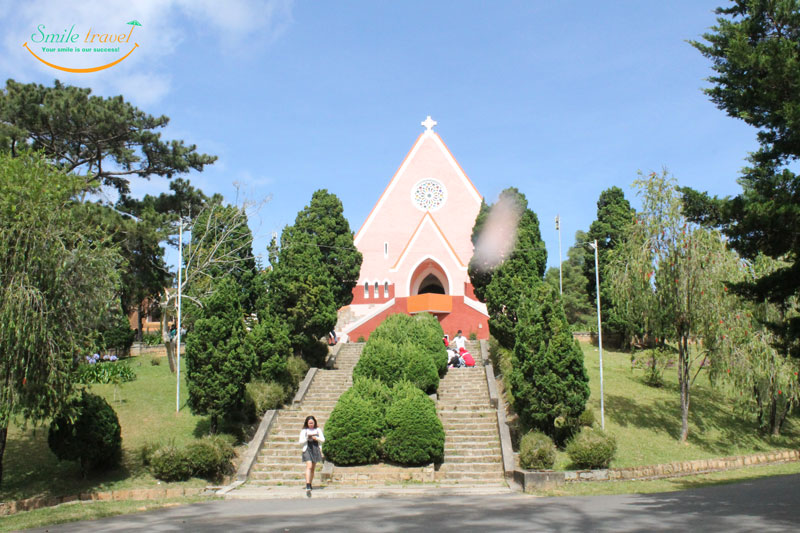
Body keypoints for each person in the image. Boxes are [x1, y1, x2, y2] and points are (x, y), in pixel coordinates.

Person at [299, 415, 325, 494]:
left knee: (313, 468)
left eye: (312, 423)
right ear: (307, 423)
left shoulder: (318, 430)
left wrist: (315, 438)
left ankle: (310, 483)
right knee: (309, 466)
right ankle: (307, 484)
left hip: (315, 448)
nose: (311, 424)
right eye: (309, 423)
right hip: (307, 449)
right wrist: (307, 438)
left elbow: (323, 440)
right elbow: (300, 441)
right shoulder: (304, 431)